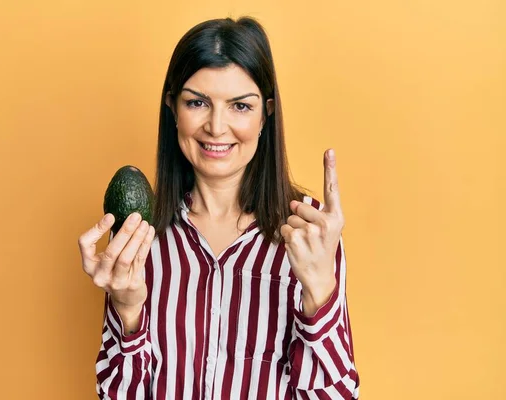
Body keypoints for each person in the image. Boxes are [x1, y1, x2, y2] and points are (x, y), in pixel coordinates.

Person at [78, 16, 360, 399]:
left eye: (240, 106)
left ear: (267, 114)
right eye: (197, 102)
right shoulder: (141, 234)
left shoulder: (311, 233)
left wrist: (320, 294)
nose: (216, 126)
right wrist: (127, 310)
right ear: (172, 108)